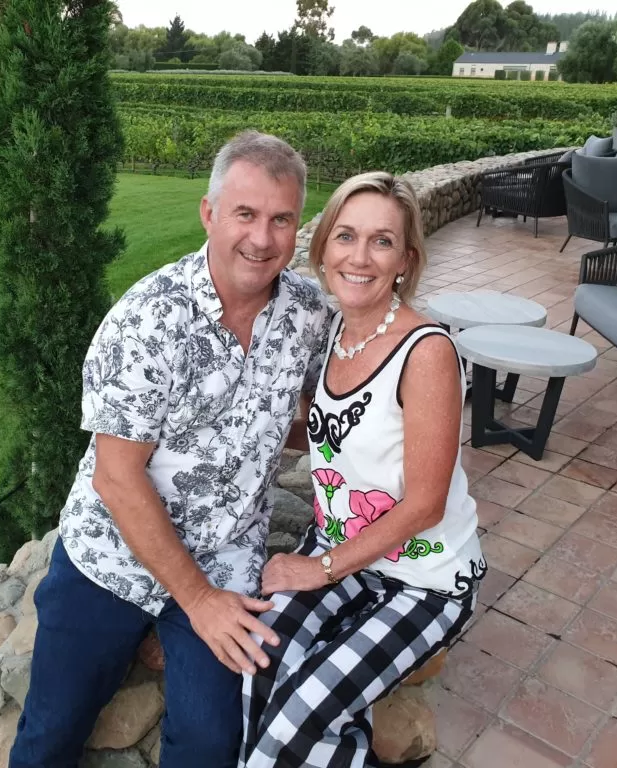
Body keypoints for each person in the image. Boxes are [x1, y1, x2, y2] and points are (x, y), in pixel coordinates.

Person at [8, 131, 331, 768]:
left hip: (225, 553)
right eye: (244, 214)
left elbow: (315, 414)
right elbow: (117, 479)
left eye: (281, 219)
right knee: (50, 730)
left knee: (211, 743)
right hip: (115, 551)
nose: (262, 239)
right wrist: (199, 602)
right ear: (209, 213)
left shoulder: (308, 315)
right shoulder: (149, 320)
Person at [240, 172, 486, 768]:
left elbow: (425, 505)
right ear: (322, 248)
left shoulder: (426, 354)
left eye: (381, 241)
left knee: (292, 726)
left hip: (424, 579)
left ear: (405, 259)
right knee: (258, 674)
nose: (359, 256)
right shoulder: (335, 334)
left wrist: (316, 568)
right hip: (344, 546)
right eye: (345, 236)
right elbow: (332, 434)